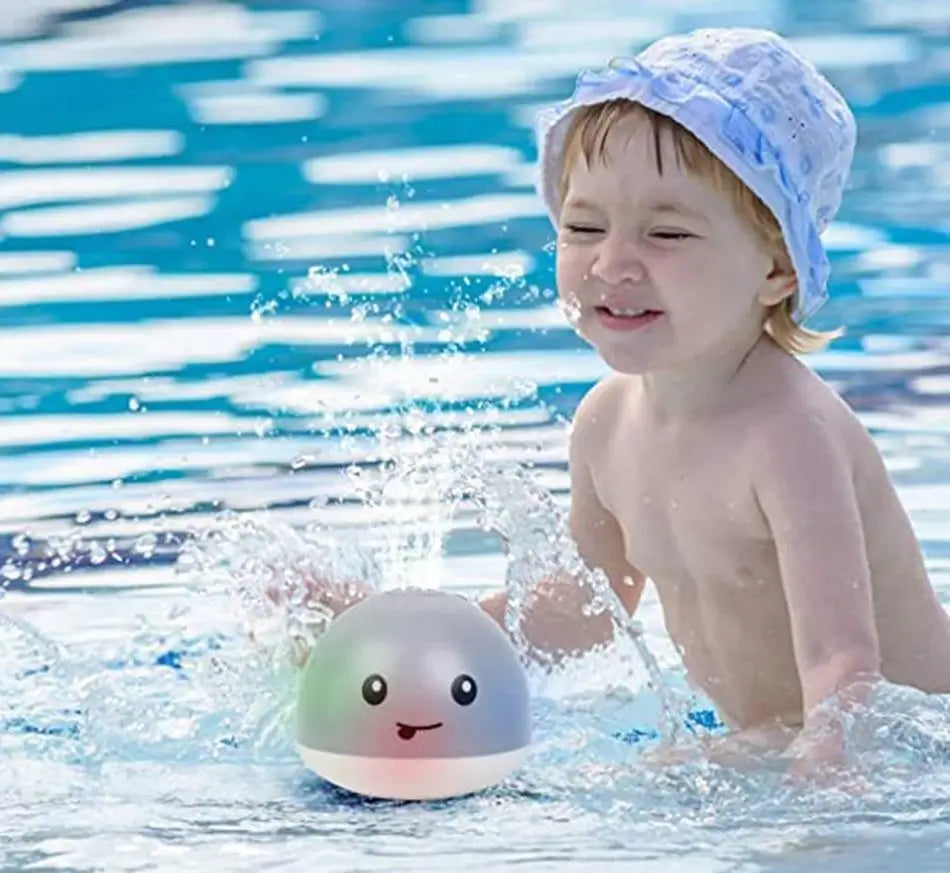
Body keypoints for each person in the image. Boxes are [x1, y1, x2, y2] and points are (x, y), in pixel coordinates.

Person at [285, 28, 950, 775]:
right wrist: (386, 629)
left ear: (778, 271)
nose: (612, 262)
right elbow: (577, 621)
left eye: (666, 232)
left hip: (914, 746)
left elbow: (843, 664)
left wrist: (823, 774)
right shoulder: (606, 424)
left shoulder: (788, 434)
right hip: (777, 738)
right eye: (583, 227)